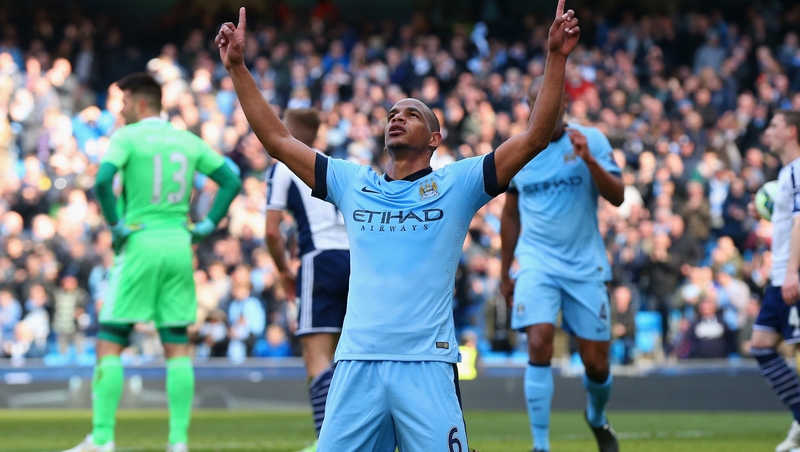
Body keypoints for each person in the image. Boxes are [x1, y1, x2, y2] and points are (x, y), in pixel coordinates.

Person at [216, 2, 579, 450]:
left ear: (434, 138)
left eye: (410, 113)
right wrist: (237, 69)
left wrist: (556, 58)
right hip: (355, 365)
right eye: (392, 113)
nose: (396, 117)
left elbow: (535, 137)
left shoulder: (459, 183)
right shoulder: (353, 183)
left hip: (426, 365)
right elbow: (278, 140)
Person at [63, 72, 241, 452]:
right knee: (176, 345)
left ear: (141, 103)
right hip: (179, 243)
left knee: (110, 342)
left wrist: (116, 225)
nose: (121, 109)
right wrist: (207, 225)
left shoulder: (127, 137)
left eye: (124, 102)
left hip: (141, 240)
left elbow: (103, 179)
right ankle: (177, 443)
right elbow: (231, 179)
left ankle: (102, 438)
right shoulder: (187, 140)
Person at [500, 77, 624, 452]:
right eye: (539, 104)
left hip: (584, 266)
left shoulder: (591, 140)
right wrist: (506, 269)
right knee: (538, 339)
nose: (547, 111)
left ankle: (597, 417)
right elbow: (510, 214)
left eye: (553, 104)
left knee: (596, 363)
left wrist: (588, 160)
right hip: (536, 262)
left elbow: (617, 196)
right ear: (530, 106)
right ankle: (540, 445)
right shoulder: (519, 151)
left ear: (565, 104)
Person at [265, 108, 350, 451]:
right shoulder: (335, 164)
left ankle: (327, 442)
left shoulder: (284, 165)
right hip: (356, 261)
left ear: (288, 128)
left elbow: (271, 232)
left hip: (319, 259)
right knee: (350, 358)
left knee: (317, 358)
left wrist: (285, 272)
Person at [747, 109, 800, 452]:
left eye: (775, 125)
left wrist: (793, 271)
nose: (768, 131)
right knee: (761, 345)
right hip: (780, 274)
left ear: (792, 131)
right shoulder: (785, 173)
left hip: (791, 274)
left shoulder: (797, 170)